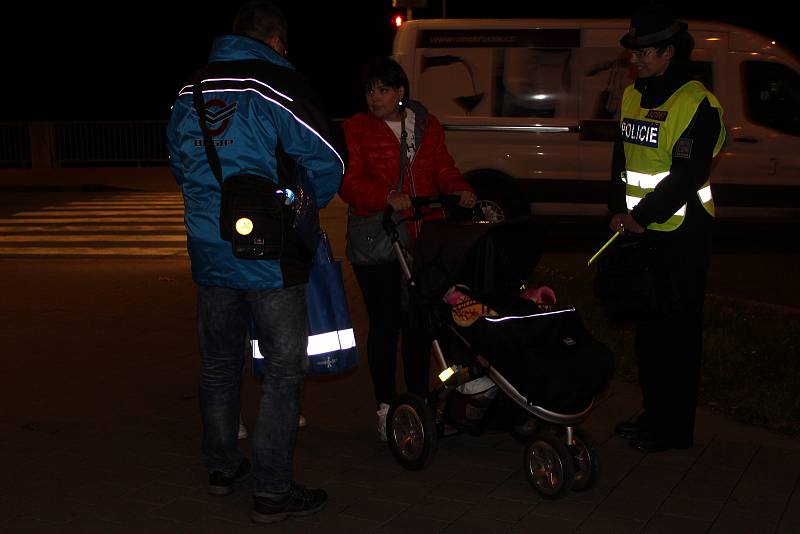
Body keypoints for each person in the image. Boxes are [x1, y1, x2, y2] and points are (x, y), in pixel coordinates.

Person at [166, 0, 344, 523]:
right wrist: (307, 206)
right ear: (276, 40)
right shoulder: (276, 86)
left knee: (219, 363)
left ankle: (222, 468)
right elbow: (329, 158)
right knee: (284, 372)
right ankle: (272, 489)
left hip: (209, 248)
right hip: (270, 253)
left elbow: (178, 161)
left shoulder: (190, 90)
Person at [338, 57, 476, 441]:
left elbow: (442, 167)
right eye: (369, 90)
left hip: (423, 239)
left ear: (400, 92)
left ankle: (419, 404)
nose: (374, 97)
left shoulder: (425, 126)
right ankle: (386, 407)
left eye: (383, 89)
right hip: (378, 238)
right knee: (385, 323)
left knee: (420, 324)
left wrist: (459, 189)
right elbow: (349, 182)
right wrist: (387, 196)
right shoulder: (357, 129)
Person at [608, 4, 725, 453]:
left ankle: (675, 429)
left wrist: (642, 215)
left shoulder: (697, 103)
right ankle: (654, 414)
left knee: (677, 338)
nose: (635, 58)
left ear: (668, 53)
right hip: (642, 234)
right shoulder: (633, 95)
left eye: (643, 52)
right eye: (633, 51)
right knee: (649, 334)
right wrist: (618, 209)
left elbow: (687, 174)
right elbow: (622, 160)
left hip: (682, 237)